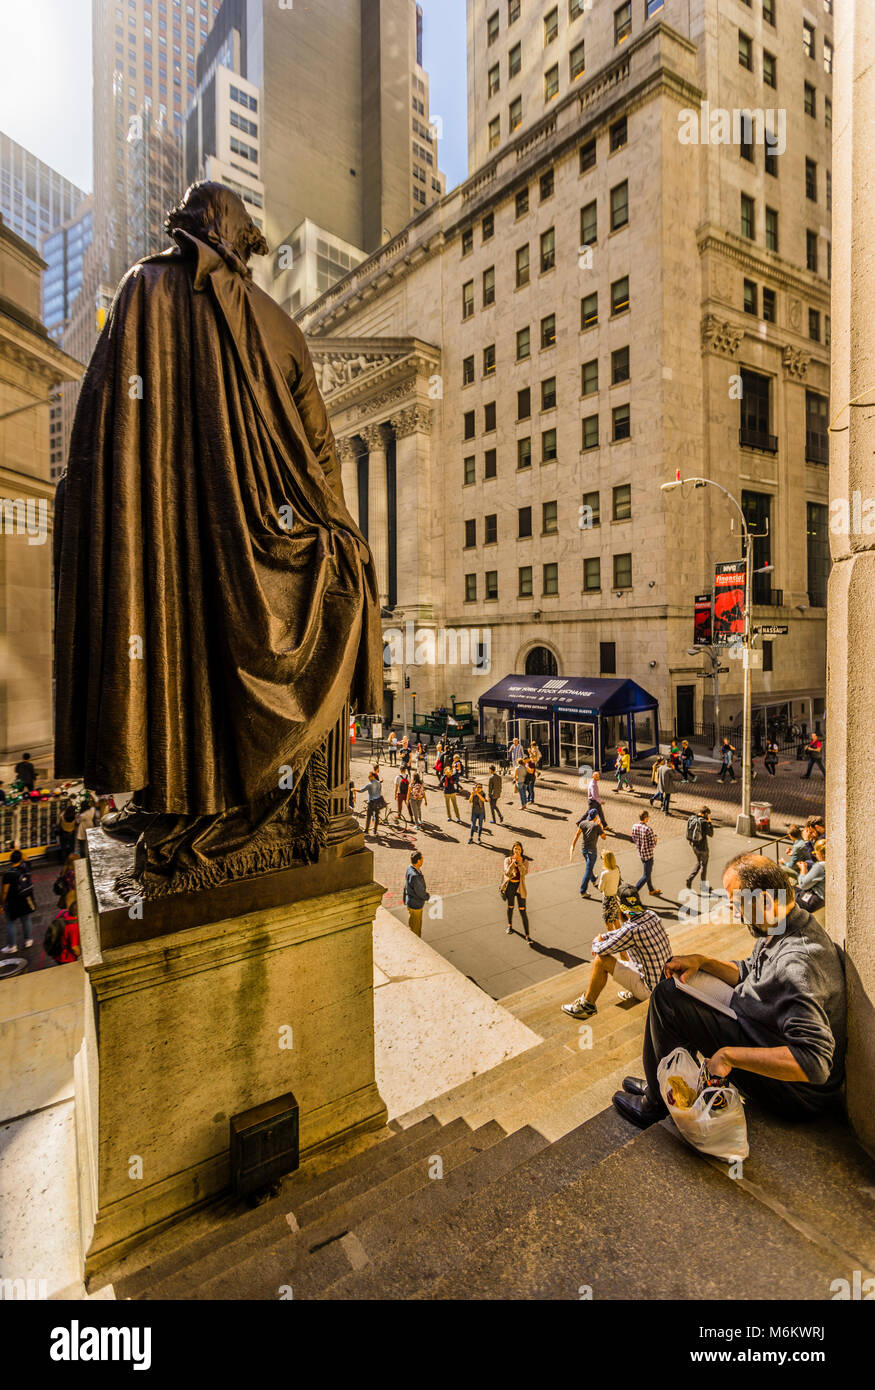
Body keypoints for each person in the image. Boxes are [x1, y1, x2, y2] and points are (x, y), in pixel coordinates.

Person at [612, 854, 847, 1128]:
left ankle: (656, 1104)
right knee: (678, 985)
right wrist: (703, 961)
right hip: (765, 1028)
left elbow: (814, 1062)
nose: (736, 914)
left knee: (669, 1000)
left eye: (737, 904)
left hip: (797, 1095)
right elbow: (751, 971)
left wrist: (728, 1056)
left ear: (766, 902)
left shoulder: (797, 965)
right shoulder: (786, 922)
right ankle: (664, 1084)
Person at [561, 902, 672, 1020]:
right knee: (636, 956)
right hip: (666, 983)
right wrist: (604, 936)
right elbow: (621, 933)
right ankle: (634, 991)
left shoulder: (631, 930)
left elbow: (601, 950)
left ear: (622, 908)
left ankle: (587, 1006)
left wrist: (596, 942)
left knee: (601, 961)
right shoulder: (651, 915)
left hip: (651, 993)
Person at [1, 849, 36, 952]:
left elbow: (5, 892)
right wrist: (17, 850)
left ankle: (12, 946)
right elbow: (27, 859)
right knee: (26, 919)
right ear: (21, 859)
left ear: (10, 860)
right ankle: (28, 940)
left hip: (13, 901)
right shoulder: (25, 868)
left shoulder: (8, 874)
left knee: (10, 922)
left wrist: (1, 904)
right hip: (25, 898)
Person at [570, 808, 607, 897]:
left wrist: (573, 845)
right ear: (596, 816)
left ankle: (593, 879)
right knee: (588, 870)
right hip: (592, 852)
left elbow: (577, 834)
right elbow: (604, 837)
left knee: (589, 866)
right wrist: (601, 826)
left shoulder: (582, 823)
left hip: (584, 849)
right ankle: (583, 891)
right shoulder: (596, 826)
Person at [502, 842, 532, 944]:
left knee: (522, 911)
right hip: (510, 887)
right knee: (510, 907)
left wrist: (520, 863)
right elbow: (507, 872)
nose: (517, 851)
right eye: (515, 849)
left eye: (519, 849)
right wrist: (512, 863)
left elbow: (525, 872)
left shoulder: (525, 861)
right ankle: (509, 926)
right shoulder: (507, 859)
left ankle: (527, 936)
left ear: (521, 851)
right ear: (513, 849)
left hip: (520, 888)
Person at [632, 811, 662, 896]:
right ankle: (633, 892)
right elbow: (652, 844)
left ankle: (651, 889)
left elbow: (633, 838)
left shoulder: (634, 826)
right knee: (646, 875)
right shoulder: (648, 829)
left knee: (648, 872)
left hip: (640, 853)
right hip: (648, 854)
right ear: (645, 818)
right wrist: (655, 839)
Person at [685, 806, 714, 891]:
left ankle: (690, 879)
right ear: (705, 814)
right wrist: (710, 823)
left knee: (699, 862)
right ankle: (703, 886)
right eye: (707, 815)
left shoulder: (692, 818)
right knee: (703, 866)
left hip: (694, 846)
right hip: (703, 847)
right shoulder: (704, 822)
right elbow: (711, 834)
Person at [403, 851, 429, 937]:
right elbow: (420, 892)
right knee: (416, 929)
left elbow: (406, 885)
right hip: (415, 904)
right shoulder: (415, 875)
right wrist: (427, 896)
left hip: (410, 901)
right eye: (422, 858)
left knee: (412, 924)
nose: (423, 860)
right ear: (418, 861)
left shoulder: (409, 868)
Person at [796, 839, 826, 912]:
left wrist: (803, 869)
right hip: (822, 898)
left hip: (815, 899)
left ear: (821, 854)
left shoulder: (820, 866)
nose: (815, 855)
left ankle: (781, 922)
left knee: (782, 893)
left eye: (815, 853)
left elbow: (803, 884)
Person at [597, 848, 621, 925]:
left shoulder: (604, 874)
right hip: (615, 897)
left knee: (608, 923)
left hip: (607, 899)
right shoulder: (617, 869)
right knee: (616, 920)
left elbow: (600, 888)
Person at [359, 770, 384, 837]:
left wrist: (354, 789)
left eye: (369, 776)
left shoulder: (369, 784)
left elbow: (361, 790)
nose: (368, 777)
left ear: (372, 777)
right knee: (376, 816)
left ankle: (366, 829)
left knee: (368, 816)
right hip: (378, 802)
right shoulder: (379, 783)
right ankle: (375, 830)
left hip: (371, 803)